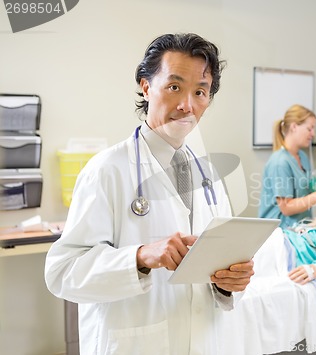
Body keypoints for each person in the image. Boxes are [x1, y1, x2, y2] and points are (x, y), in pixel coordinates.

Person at [45, 33, 254, 355]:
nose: (187, 105)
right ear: (146, 86)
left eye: (200, 92)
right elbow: (63, 272)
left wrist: (229, 283)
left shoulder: (208, 175)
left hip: (204, 341)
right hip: (136, 342)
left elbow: (220, 272)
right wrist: (140, 257)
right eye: (174, 87)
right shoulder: (107, 169)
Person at [258, 104, 316, 228]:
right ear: (294, 127)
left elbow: (303, 189)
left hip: (300, 228)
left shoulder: (302, 156)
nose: (313, 134)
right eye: (309, 129)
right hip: (280, 233)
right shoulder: (279, 163)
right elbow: (286, 207)